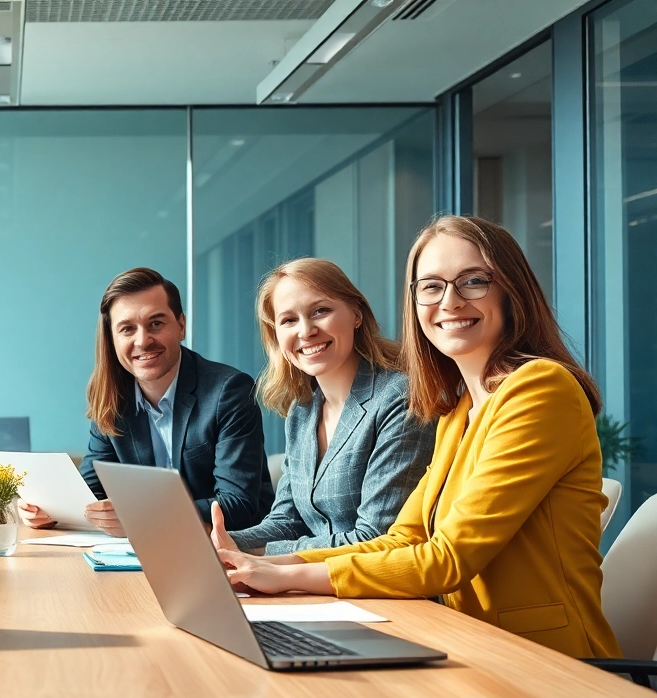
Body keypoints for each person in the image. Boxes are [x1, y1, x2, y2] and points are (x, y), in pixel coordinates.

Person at [218, 216, 621, 658]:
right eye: (431, 286)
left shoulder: (540, 388)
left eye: (473, 281)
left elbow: (447, 558)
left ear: (512, 290)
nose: (450, 301)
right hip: (460, 641)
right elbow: (402, 539)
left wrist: (287, 575)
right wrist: (263, 565)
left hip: (545, 660)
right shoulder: (458, 410)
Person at [21, 267, 273, 536]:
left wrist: (142, 516)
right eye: (127, 329)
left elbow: (239, 505)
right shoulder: (112, 396)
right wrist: (51, 511)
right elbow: (92, 494)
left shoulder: (229, 391)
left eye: (156, 323)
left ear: (181, 325)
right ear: (112, 339)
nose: (142, 341)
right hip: (138, 549)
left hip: (229, 546)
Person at [210, 258, 435, 555]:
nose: (306, 331)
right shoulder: (302, 411)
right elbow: (286, 521)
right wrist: (218, 543)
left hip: (374, 580)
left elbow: (374, 538)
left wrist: (261, 556)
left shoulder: (399, 398)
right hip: (310, 579)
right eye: (288, 320)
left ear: (356, 314)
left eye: (320, 311)